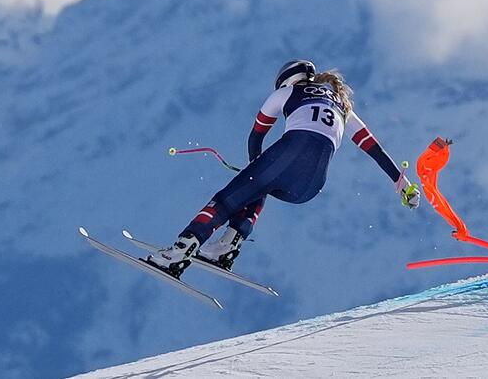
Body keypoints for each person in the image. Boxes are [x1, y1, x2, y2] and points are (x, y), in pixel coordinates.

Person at [148, 59, 420, 277]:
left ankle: (179, 252)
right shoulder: (342, 107)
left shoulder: (287, 93)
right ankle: (228, 246)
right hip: (310, 187)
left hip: (289, 155)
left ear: (286, 80)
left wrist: (252, 169)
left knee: (228, 199)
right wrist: (403, 185)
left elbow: (256, 136)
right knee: (261, 185)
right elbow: (375, 149)